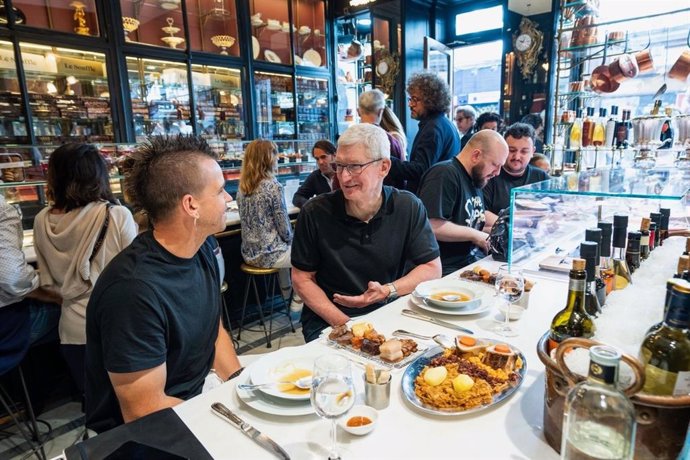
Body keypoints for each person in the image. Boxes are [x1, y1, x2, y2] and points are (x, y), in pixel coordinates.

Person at [85, 135, 241, 433]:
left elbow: (213, 328)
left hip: (196, 400)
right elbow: (144, 411)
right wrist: (231, 419)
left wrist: (239, 385)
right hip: (141, 434)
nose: (229, 199)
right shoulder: (132, 291)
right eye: (220, 190)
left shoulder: (202, 248)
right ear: (191, 205)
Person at [291, 124, 442, 342]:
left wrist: (388, 290)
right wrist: (347, 325)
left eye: (354, 166)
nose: (343, 177)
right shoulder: (315, 212)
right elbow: (302, 279)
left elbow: (431, 267)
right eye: (339, 166)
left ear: (384, 167)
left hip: (390, 312)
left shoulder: (407, 206)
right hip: (329, 320)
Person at [33, 143, 137, 394]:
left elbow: (47, 283)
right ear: (98, 174)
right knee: (134, 409)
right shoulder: (117, 215)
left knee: (97, 409)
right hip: (119, 327)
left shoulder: (41, 220)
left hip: (72, 332)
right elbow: (138, 275)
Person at [418, 130, 509, 276]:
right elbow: (432, 226)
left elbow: (472, 220)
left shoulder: (476, 177)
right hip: (446, 267)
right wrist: (477, 236)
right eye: (494, 165)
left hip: (471, 261)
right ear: (476, 155)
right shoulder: (444, 174)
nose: (497, 173)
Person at [238, 139, 297, 305]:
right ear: (267, 159)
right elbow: (284, 228)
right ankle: (298, 299)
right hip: (271, 255)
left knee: (288, 250)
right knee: (310, 255)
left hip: (249, 255)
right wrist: (295, 241)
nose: (277, 158)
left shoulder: (242, 188)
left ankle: (287, 297)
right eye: (275, 154)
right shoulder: (273, 186)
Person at [1, 195, 61, 347]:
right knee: (72, 313)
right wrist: (50, 293)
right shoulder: (2, 210)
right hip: (6, 326)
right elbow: (12, 278)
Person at [387, 72, 459, 194]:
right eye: (410, 99)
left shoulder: (433, 128)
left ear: (431, 100)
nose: (410, 104)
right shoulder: (444, 123)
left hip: (430, 198)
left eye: (415, 99)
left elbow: (420, 170)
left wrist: (385, 161)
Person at [483, 123, 550, 219]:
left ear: (532, 152)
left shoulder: (541, 177)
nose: (517, 157)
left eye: (524, 152)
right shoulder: (489, 175)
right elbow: (481, 213)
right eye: (512, 150)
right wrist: (515, 225)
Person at [358, 89, 406, 188]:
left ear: (358, 111)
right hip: (385, 198)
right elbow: (400, 176)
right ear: (381, 112)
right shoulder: (390, 141)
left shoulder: (348, 139)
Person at [292, 140, 337, 208]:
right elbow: (297, 197)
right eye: (317, 159)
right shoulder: (316, 176)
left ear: (334, 156)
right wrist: (313, 207)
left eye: (323, 157)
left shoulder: (343, 174)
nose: (320, 162)